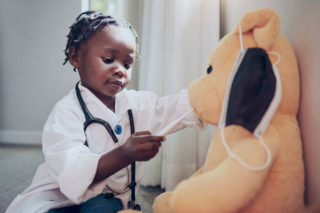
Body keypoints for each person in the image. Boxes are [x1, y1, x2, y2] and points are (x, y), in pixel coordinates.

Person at [5, 10, 206, 213]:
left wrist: (208, 94)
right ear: (75, 57)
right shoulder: (65, 113)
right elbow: (72, 171)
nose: (121, 70)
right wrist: (124, 153)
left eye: (127, 64)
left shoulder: (138, 103)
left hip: (105, 196)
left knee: (101, 210)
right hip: (57, 197)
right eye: (109, 59)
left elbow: (172, 108)